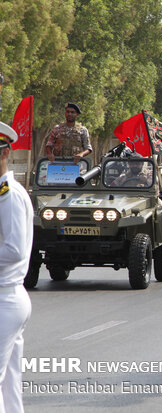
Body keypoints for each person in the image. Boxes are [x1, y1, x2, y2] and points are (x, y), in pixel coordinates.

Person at [0, 121, 33, 413]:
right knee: (9, 384)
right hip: (9, 296)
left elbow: (14, 250)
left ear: (4, 154)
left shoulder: (7, 194)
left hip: (5, 297)